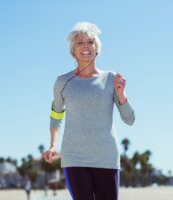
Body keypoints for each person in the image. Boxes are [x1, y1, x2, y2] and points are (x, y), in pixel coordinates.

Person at [42, 22, 135, 200]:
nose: (86, 46)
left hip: (106, 157)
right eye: (80, 43)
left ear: (97, 48)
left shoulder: (110, 78)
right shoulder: (63, 82)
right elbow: (56, 114)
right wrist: (53, 144)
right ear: (73, 51)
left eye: (90, 42)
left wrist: (121, 95)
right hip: (74, 157)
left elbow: (130, 119)